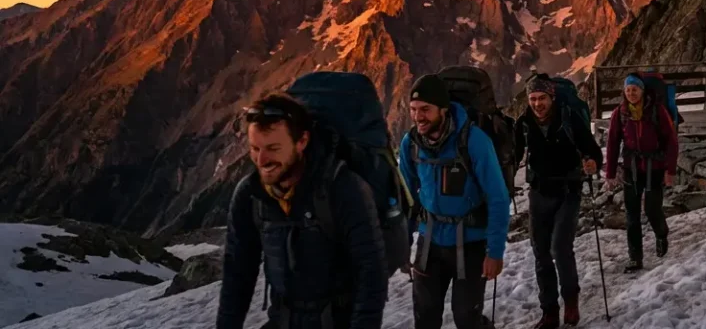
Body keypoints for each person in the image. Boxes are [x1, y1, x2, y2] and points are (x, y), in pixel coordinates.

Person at [217, 94, 389, 329]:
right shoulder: (250, 195)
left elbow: (371, 274)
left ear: (302, 141)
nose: (261, 159)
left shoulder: (343, 189)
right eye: (254, 148)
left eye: (273, 148)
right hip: (283, 320)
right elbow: (238, 273)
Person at [400, 73, 511, 329]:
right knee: (425, 317)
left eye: (425, 109)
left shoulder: (473, 141)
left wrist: (494, 252)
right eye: (414, 109)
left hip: (470, 243)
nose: (418, 117)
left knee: (466, 318)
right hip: (430, 243)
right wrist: (403, 242)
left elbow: (498, 197)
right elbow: (407, 197)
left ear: (443, 109)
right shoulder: (411, 144)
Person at [513, 75, 604, 329]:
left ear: (552, 97)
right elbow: (514, 154)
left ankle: (570, 301)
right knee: (541, 253)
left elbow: (593, 150)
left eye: (542, 98)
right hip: (539, 192)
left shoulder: (569, 117)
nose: (537, 103)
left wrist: (593, 162)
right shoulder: (523, 123)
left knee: (560, 248)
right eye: (532, 99)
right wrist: (504, 175)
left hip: (568, 191)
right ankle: (549, 311)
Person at [603, 73, 678, 273]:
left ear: (642, 91)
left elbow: (671, 140)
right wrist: (610, 173)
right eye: (628, 90)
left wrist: (670, 170)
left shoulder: (657, 111)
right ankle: (635, 257)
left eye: (634, 89)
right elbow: (612, 143)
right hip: (631, 168)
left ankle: (661, 234)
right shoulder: (620, 113)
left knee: (653, 209)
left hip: (654, 167)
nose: (631, 93)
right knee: (632, 215)